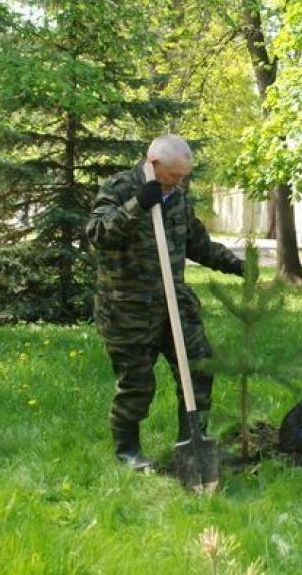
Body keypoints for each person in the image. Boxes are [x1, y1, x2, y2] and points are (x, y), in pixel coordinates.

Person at [86, 134, 244, 471]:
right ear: (153, 164)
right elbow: (98, 233)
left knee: (200, 366)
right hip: (128, 310)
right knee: (137, 383)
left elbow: (198, 245)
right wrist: (137, 205)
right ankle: (127, 451)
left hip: (175, 306)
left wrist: (239, 266)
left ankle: (192, 444)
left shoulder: (179, 199)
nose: (180, 181)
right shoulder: (120, 188)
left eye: (183, 176)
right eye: (174, 175)